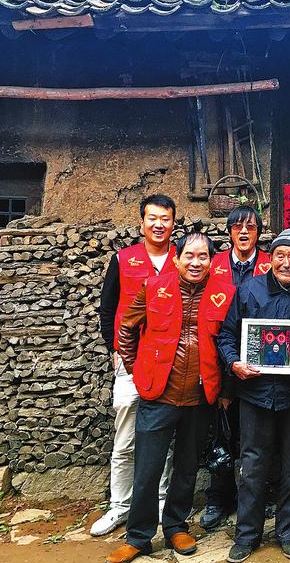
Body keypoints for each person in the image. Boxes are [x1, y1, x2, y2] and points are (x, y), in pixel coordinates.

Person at [105, 233, 236, 563]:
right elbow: (126, 328)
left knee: (187, 467)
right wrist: (136, 370)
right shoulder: (153, 287)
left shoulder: (225, 293)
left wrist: (225, 389)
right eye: (189, 255)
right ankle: (139, 536)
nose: (196, 262)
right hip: (158, 393)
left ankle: (176, 526)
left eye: (203, 256)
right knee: (147, 469)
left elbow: (230, 342)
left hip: (200, 395)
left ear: (211, 261)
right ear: (176, 259)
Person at [217, 229, 290, 563]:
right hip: (255, 394)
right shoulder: (249, 290)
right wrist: (234, 363)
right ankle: (247, 535)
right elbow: (227, 336)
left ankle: (288, 533)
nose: (286, 262)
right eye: (280, 255)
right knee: (252, 467)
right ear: (270, 259)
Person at [93, 194, 177, 537]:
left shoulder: (182, 259)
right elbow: (108, 308)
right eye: (152, 218)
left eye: (165, 219)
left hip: (169, 362)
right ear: (141, 222)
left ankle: (160, 501)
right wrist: (114, 348)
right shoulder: (123, 259)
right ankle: (120, 506)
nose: (159, 224)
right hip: (131, 361)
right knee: (126, 435)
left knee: (163, 436)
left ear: (174, 223)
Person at [201, 205, 271, 531]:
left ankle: (257, 496)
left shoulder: (272, 264)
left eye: (251, 227)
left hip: (261, 361)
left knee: (257, 436)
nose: (244, 232)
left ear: (259, 232)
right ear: (229, 232)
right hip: (220, 359)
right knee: (221, 433)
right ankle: (218, 497)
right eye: (238, 227)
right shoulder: (212, 264)